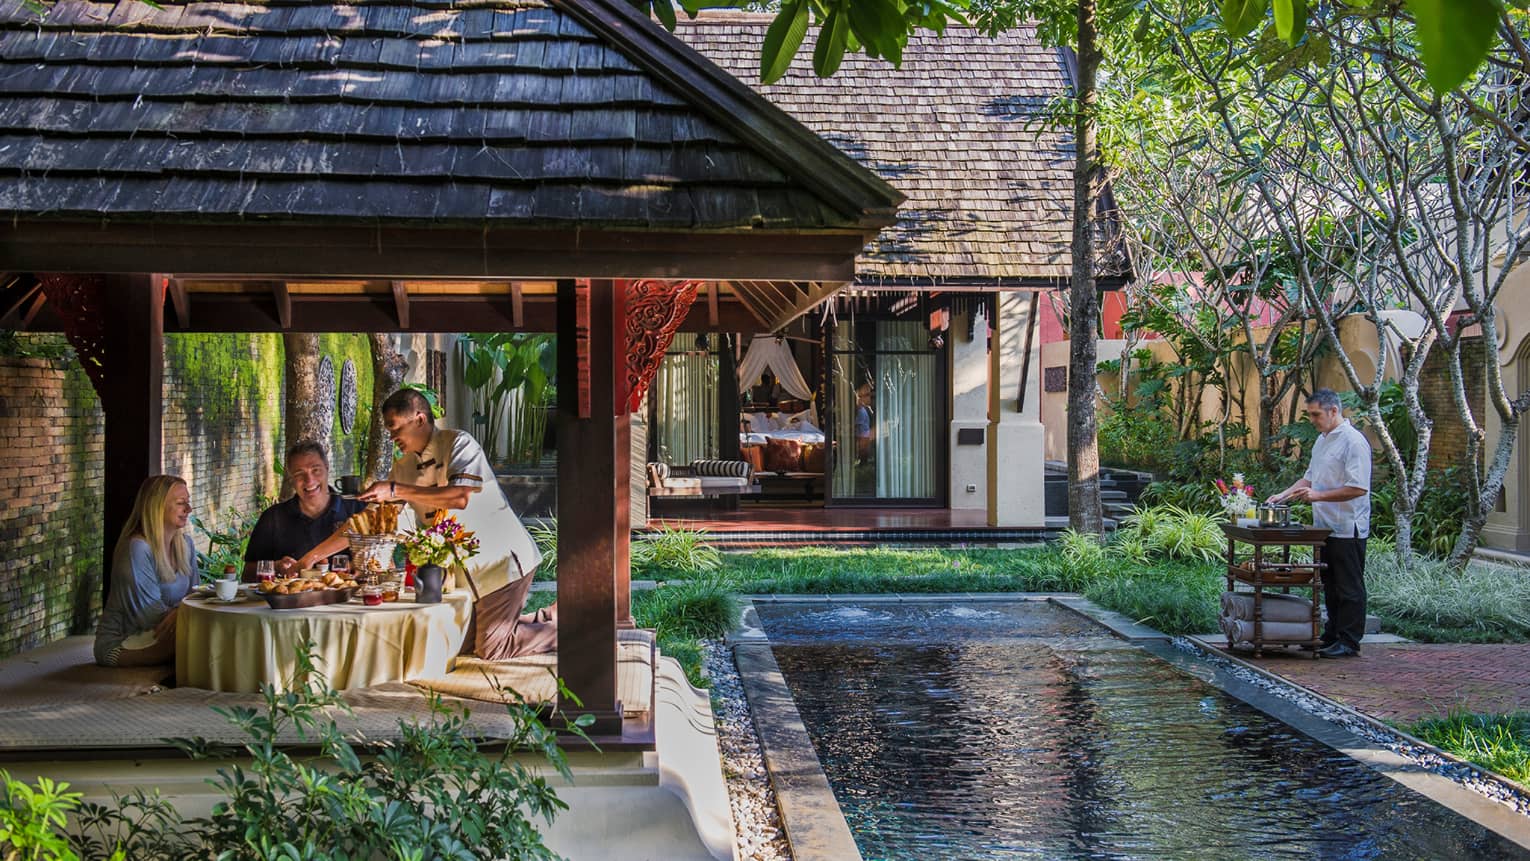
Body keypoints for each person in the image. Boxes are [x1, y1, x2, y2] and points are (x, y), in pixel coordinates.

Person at [356, 388, 552, 659]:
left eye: (394, 427)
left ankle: (574, 628)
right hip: (463, 578)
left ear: (419, 419)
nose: (391, 437)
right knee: (458, 645)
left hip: (500, 564)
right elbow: (368, 520)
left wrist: (396, 490)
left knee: (492, 648)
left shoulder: (460, 443)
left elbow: (459, 497)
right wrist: (309, 559)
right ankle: (548, 615)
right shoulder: (403, 469)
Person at [1270, 388, 1372, 658]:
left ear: (1334, 411)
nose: (1312, 420)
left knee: (1349, 587)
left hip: (1348, 526)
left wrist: (1317, 496)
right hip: (1323, 526)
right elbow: (1309, 478)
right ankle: (1332, 634)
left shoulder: (1354, 442)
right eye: (1310, 414)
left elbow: (1358, 488)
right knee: (1329, 583)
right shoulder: (1321, 440)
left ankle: (1349, 641)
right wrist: (1284, 495)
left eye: (1316, 414)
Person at [95, 475, 200, 667]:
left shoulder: (186, 545)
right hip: (126, 643)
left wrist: (183, 612)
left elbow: (196, 595)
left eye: (188, 502)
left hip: (173, 632)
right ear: (157, 506)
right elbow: (149, 617)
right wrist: (185, 613)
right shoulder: (137, 548)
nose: (189, 509)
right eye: (180, 503)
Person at [244, 441, 367, 580]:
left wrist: (360, 567)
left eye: (315, 470)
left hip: (348, 599)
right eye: (299, 474)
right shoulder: (273, 518)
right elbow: (247, 573)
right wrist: (276, 566)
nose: (309, 480)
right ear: (291, 479)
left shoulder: (358, 511)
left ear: (327, 468)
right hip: (293, 600)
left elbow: (386, 565)